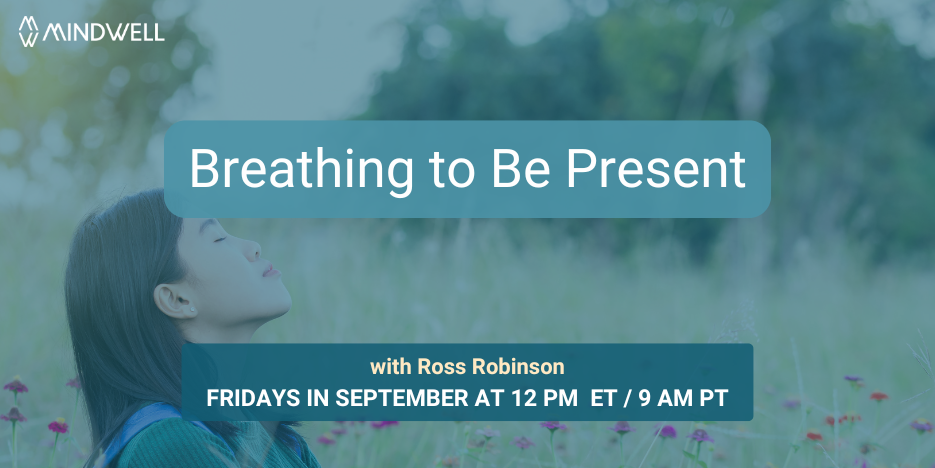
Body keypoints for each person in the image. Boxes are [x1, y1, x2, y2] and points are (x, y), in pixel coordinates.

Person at [65, 188, 321, 467]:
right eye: (219, 238)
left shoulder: (269, 433)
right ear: (177, 299)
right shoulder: (172, 443)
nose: (253, 246)